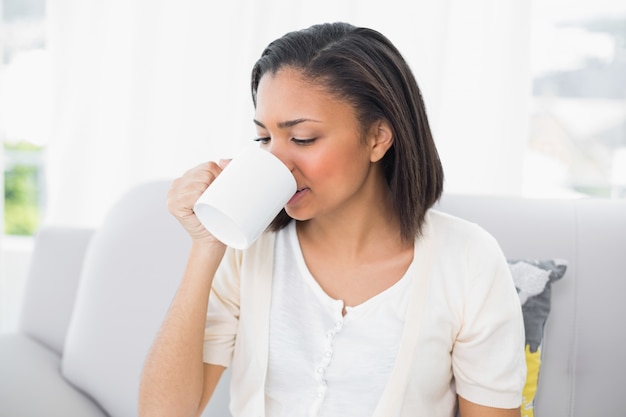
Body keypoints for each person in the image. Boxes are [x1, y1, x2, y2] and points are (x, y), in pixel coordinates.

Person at [139, 22, 526, 417]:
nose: (276, 160)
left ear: (377, 138)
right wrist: (207, 244)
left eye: (302, 138)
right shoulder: (248, 251)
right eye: (264, 139)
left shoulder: (467, 261)